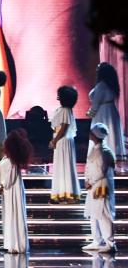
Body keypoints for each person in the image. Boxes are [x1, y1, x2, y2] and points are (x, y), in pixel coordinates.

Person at [0, 129, 32, 255]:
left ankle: (17, 244)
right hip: (8, 192)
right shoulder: (8, 159)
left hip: (12, 191)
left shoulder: (12, 161)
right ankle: (9, 243)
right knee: (9, 216)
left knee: (14, 215)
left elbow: (10, 179)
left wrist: (2, 185)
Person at [84, 123, 117, 253]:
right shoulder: (95, 149)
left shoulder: (104, 151)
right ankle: (97, 240)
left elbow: (100, 171)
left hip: (101, 186)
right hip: (94, 186)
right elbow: (89, 166)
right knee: (94, 213)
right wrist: (87, 180)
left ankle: (110, 243)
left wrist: (90, 181)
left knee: (103, 214)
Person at [88, 63, 126, 160]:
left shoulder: (101, 85)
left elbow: (96, 103)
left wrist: (90, 113)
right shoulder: (111, 85)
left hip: (102, 113)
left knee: (101, 134)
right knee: (112, 134)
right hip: (111, 112)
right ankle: (112, 156)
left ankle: (102, 158)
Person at [49, 85, 80, 204]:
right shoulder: (63, 110)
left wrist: (54, 140)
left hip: (63, 141)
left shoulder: (66, 110)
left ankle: (68, 194)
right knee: (61, 166)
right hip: (62, 140)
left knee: (65, 165)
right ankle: (62, 193)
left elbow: (64, 128)